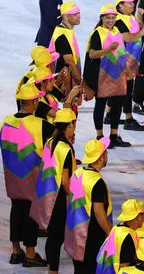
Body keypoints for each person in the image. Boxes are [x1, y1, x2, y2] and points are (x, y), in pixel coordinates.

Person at [1, 82, 54, 268]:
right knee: (33, 212)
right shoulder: (41, 125)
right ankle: (31, 253)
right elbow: (59, 139)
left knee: (16, 209)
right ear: (35, 102)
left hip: (12, 176)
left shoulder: (6, 120)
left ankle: (16, 251)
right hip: (32, 177)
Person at [30, 108, 77, 274]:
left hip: (45, 195)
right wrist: (76, 196)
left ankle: (51, 268)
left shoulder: (50, 142)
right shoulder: (65, 149)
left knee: (52, 237)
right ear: (70, 125)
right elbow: (65, 181)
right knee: (57, 238)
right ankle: (53, 271)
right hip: (58, 199)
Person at [84, 4, 130, 148]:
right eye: (108, 18)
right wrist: (108, 49)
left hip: (118, 75)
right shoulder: (98, 33)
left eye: (113, 18)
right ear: (102, 18)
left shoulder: (117, 31)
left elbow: (121, 52)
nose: (111, 20)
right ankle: (99, 136)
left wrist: (126, 68)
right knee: (100, 105)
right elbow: (92, 54)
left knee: (117, 105)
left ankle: (114, 135)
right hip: (102, 75)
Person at [65, 137, 113, 274]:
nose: (107, 155)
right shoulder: (96, 182)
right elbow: (98, 212)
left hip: (75, 233)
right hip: (90, 237)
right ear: (101, 158)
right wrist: (110, 232)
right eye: (106, 153)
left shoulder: (77, 173)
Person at [113, 0, 144, 131]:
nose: (132, 4)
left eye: (132, 1)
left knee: (123, 89)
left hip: (132, 59)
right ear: (120, 5)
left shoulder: (128, 17)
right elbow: (127, 37)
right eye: (128, 2)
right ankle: (128, 118)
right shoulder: (119, 20)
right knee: (127, 90)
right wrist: (142, 32)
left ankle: (110, 114)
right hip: (124, 61)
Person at [49, 2, 94, 100]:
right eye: (75, 14)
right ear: (65, 16)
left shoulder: (66, 31)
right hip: (62, 86)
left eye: (78, 13)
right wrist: (85, 87)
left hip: (65, 81)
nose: (79, 16)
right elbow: (70, 64)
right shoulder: (62, 35)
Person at [96, 199, 144, 273]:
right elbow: (124, 269)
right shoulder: (127, 237)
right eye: (143, 215)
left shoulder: (117, 228)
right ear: (139, 217)